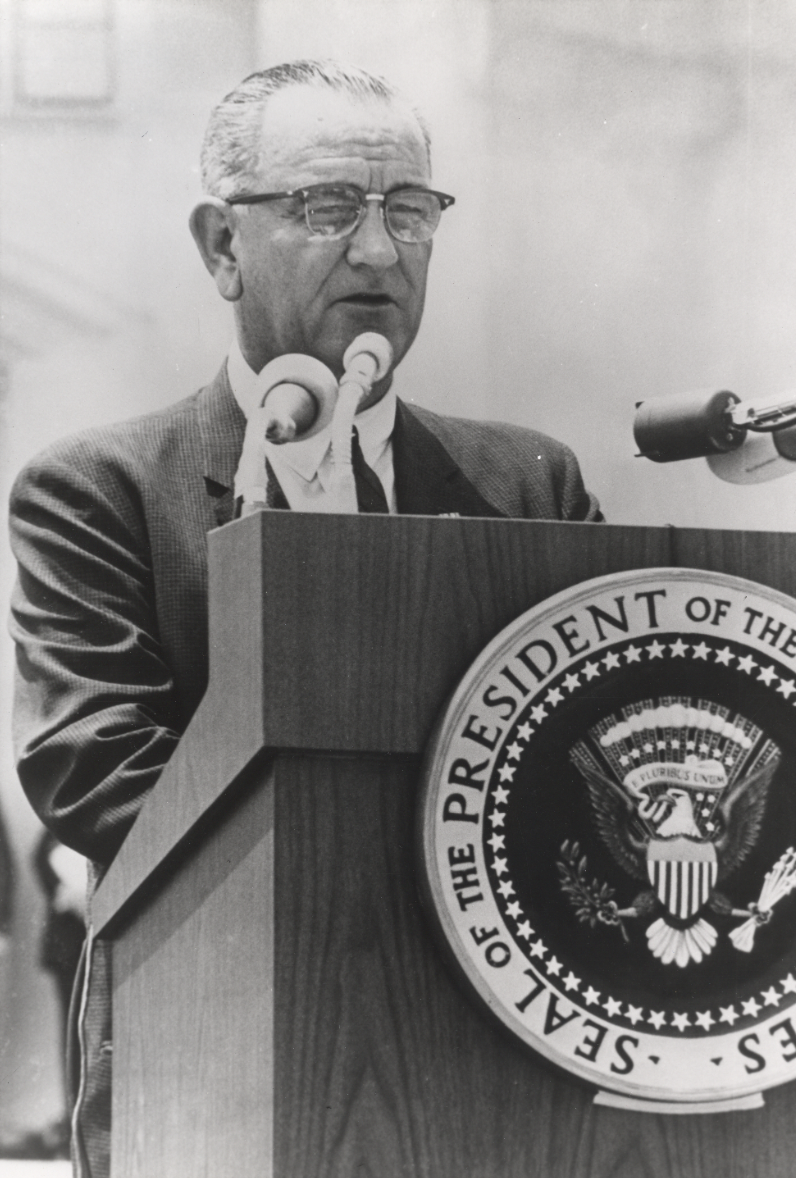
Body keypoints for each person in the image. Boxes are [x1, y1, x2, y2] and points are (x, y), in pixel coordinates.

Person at [8, 60, 602, 1178]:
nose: (379, 250)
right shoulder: (101, 491)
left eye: (410, 210)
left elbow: (587, 759)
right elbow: (103, 782)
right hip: (208, 1066)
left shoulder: (532, 486)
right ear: (222, 247)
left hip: (486, 1076)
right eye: (328, 206)